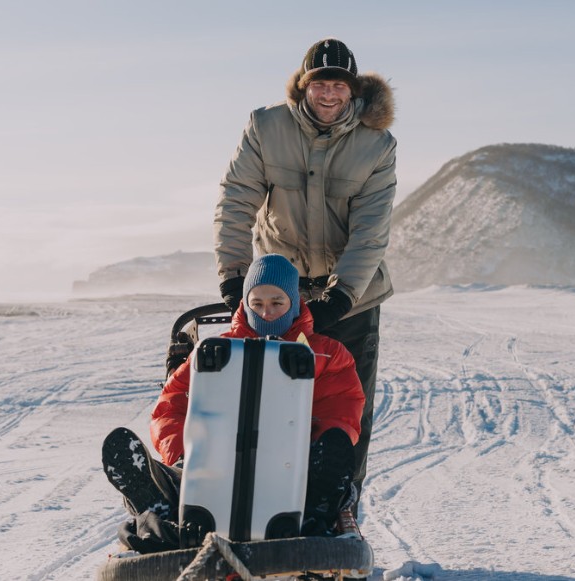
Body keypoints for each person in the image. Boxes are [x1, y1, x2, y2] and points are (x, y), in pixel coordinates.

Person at [213, 38, 396, 513]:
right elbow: (236, 200)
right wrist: (236, 277)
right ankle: (250, 502)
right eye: (320, 84)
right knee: (263, 398)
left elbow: (370, 233)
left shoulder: (377, 145)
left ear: (352, 91)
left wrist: (342, 296)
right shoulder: (266, 126)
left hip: (350, 298)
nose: (329, 94)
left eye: (339, 85)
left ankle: (337, 512)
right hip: (278, 291)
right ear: (303, 86)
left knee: (346, 408)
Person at [101, 254, 365, 552]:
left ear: (294, 302)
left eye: (277, 302)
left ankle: (315, 516)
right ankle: (158, 497)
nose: (267, 313)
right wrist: (185, 453)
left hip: (293, 466)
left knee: (331, 465)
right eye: (258, 303)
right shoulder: (214, 353)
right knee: (179, 476)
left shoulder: (327, 354)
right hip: (213, 464)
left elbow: (342, 410)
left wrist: (314, 445)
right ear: (246, 302)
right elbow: (170, 406)